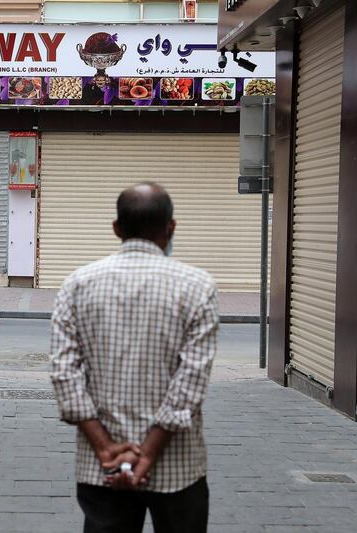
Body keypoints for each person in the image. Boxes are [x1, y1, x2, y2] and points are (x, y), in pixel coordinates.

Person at [50, 183, 218, 533]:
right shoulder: (197, 286)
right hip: (178, 465)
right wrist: (150, 453)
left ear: (116, 228)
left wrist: (107, 448)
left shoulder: (78, 284)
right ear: (171, 228)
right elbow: (191, 381)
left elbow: (65, 374)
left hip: (101, 466)